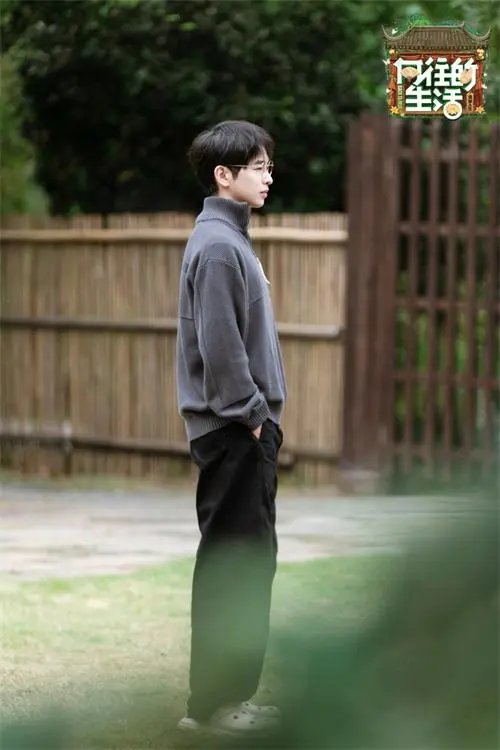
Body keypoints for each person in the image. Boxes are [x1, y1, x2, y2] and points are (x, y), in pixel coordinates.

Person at [175, 120, 287, 737]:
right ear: (224, 174)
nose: (269, 177)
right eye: (259, 167)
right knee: (237, 565)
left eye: (268, 166)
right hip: (236, 429)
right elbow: (220, 346)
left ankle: (221, 701)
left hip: (242, 429)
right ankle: (218, 705)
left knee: (246, 561)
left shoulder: (228, 240)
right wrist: (252, 414)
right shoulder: (219, 246)